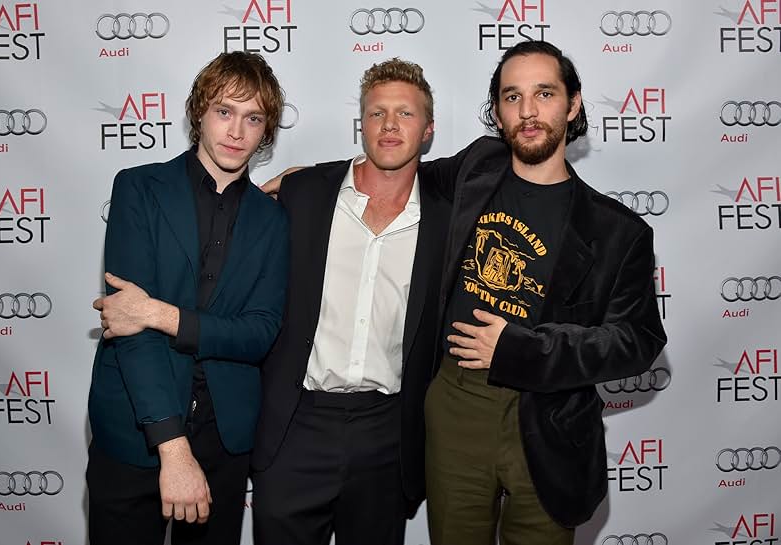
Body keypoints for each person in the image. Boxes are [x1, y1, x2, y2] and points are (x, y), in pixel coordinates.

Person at [420, 40, 668, 545]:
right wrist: (316, 181)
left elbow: (638, 341)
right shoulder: (476, 168)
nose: (528, 111)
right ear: (496, 110)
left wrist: (517, 349)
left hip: (553, 419)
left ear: (573, 104)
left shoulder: (617, 231)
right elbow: (398, 173)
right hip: (458, 405)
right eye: (512, 97)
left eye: (544, 94)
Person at [87, 51, 288, 545]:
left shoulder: (274, 219)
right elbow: (131, 333)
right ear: (199, 111)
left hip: (224, 439)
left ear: (267, 131)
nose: (236, 131)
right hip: (137, 429)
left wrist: (162, 314)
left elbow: (260, 333)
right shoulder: (138, 188)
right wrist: (172, 449)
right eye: (225, 111)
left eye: (253, 118)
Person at [250, 58, 450, 545]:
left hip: (387, 434)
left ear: (427, 130)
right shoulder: (305, 192)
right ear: (361, 124)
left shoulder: (448, 219)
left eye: (405, 114)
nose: (389, 126)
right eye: (377, 113)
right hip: (297, 425)